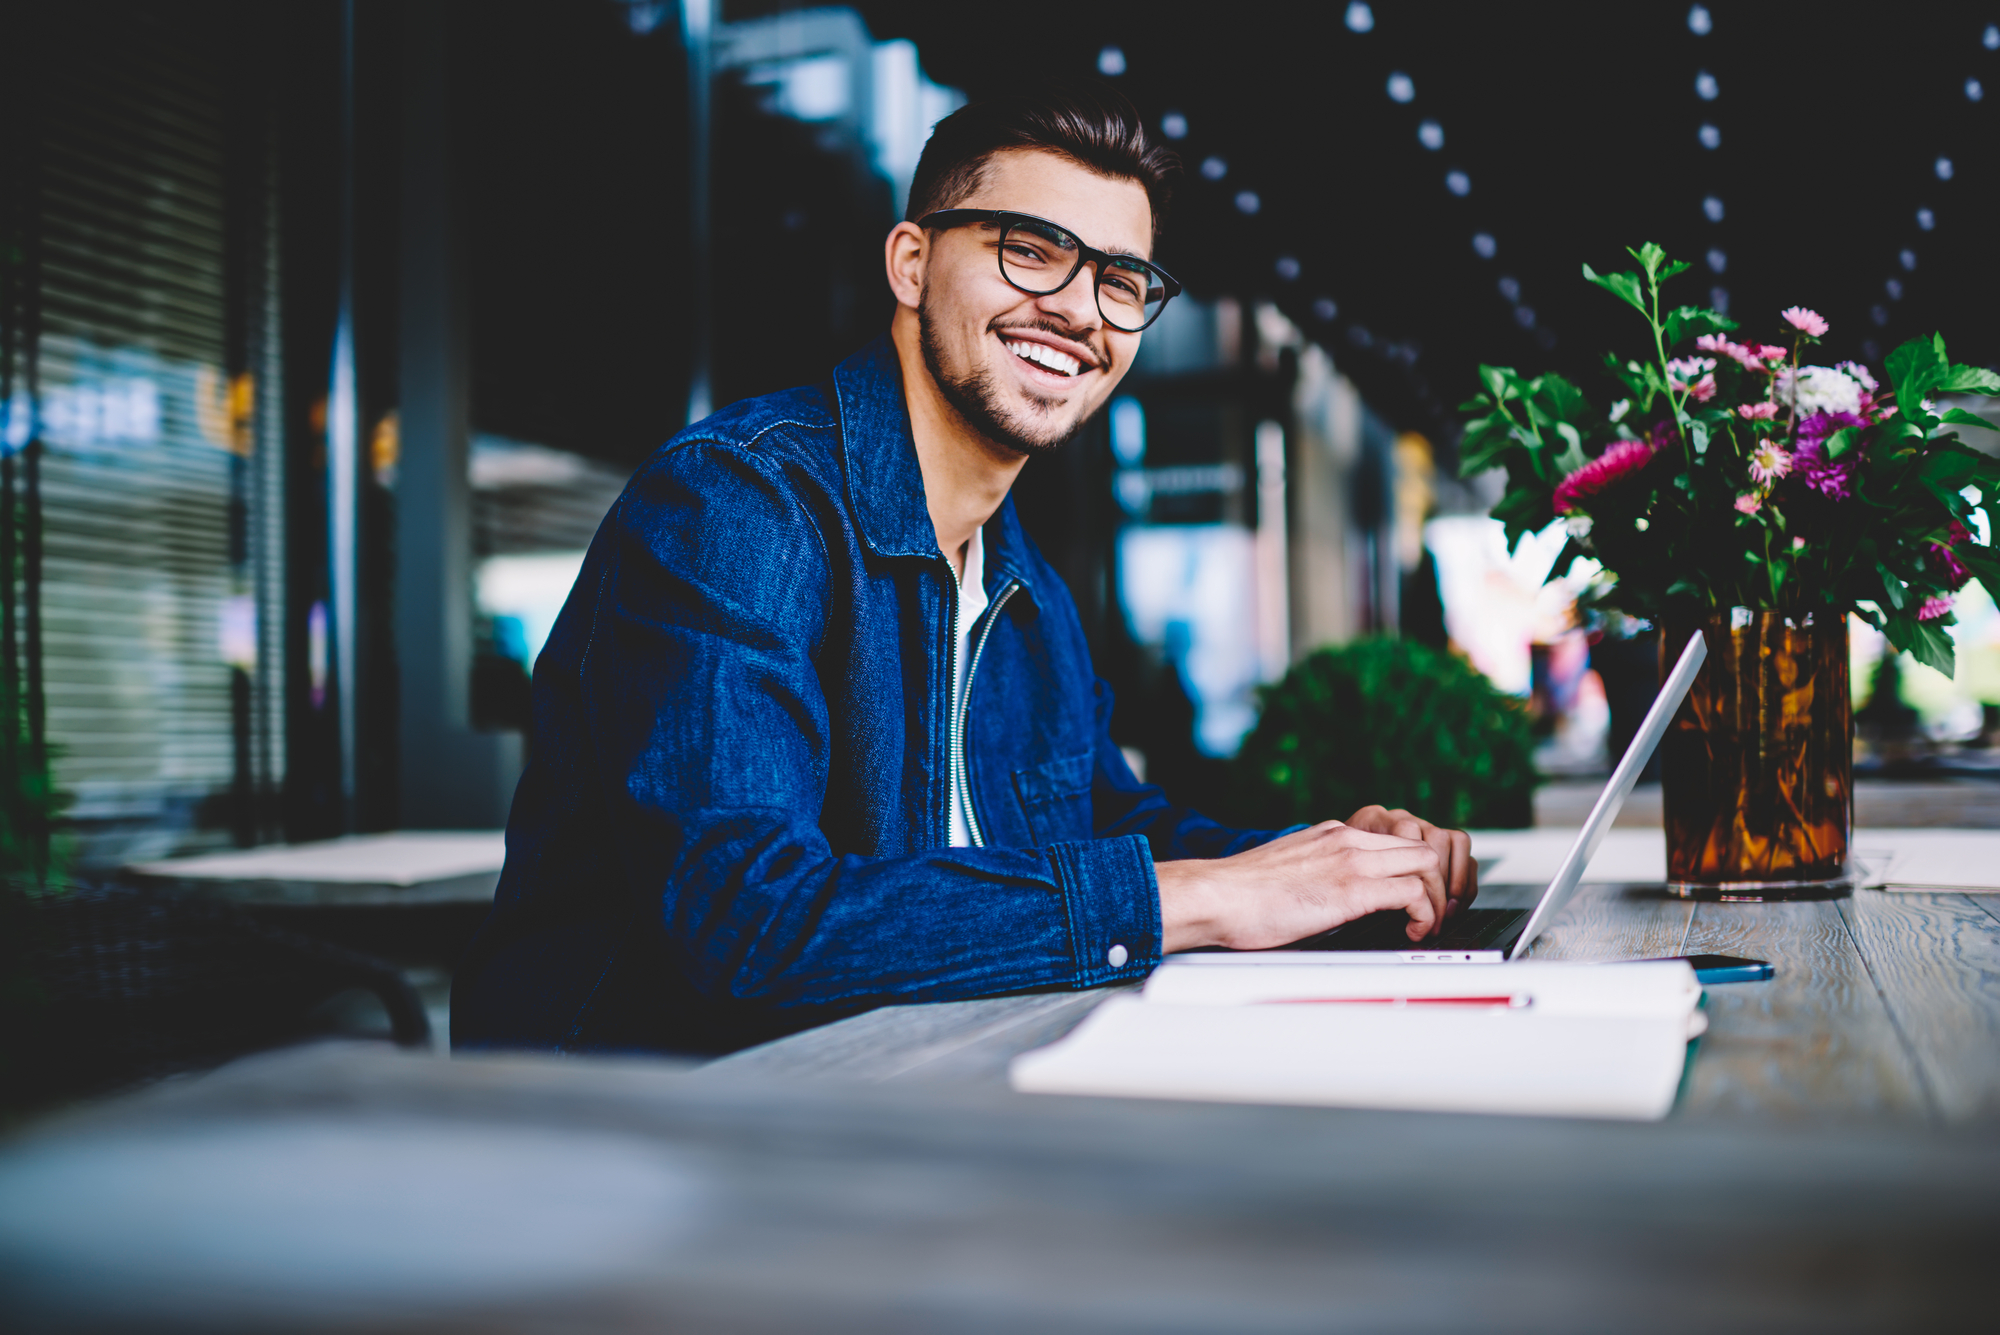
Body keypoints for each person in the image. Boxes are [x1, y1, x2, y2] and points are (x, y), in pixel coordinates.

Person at [453, 85, 1476, 1057]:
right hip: (644, 1122)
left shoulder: (1021, 583)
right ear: (909, 263)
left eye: (1119, 281)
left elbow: (1109, 824)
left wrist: (1333, 861)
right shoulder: (736, 509)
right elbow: (747, 922)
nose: (1080, 310)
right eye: (1030, 251)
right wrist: (1205, 897)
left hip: (916, 1079)